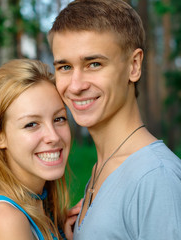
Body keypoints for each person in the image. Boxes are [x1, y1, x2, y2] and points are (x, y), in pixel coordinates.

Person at [48, 0, 181, 239]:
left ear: (134, 65)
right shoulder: (102, 168)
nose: (76, 86)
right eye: (65, 67)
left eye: (94, 64)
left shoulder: (155, 178)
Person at [0, 59, 77, 240]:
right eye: (31, 124)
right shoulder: (5, 219)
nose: (54, 136)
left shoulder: (42, 210)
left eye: (59, 119)